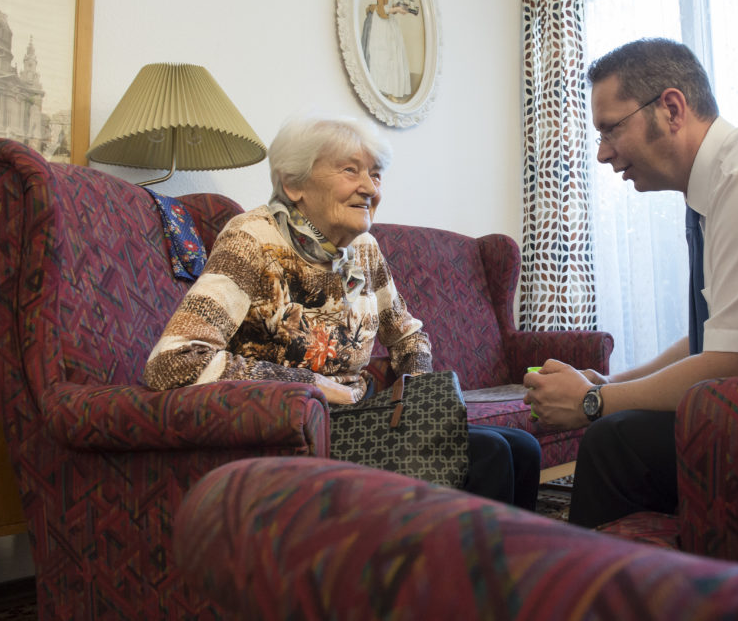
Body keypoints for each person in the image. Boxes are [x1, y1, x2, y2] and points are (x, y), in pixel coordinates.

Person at [523, 38, 738, 528]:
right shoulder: (721, 186)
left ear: (670, 108)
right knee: (623, 428)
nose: (602, 154)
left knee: (614, 440)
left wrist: (592, 402)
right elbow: (719, 335)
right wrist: (607, 382)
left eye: (610, 130)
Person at [144, 115, 540, 509]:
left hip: (361, 418)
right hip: (289, 431)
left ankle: (504, 568)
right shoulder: (251, 239)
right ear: (293, 183)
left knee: (521, 448)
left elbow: (408, 336)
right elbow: (174, 361)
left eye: (376, 174)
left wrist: (415, 399)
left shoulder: (364, 249)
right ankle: (458, 570)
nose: (369, 188)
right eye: (351, 170)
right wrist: (310, 385)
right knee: (489, 455)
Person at [361, 0, 412, 102]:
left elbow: (390, 7)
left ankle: (391, 91)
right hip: (381, 22)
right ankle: (381, 90)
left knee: (393, 54)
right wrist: (396, 8)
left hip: (390, 22)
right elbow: (382, 10)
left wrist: (400, 7)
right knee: (383, 55)